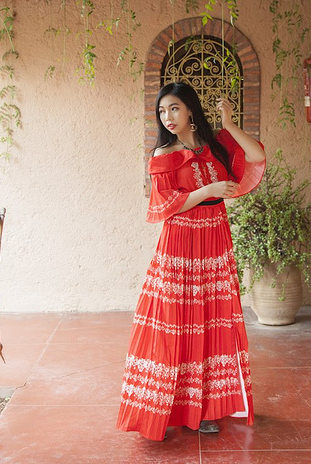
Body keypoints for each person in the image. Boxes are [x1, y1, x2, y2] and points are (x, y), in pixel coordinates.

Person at [116, 82, 266, 441]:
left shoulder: (216, 145)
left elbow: (256, 157)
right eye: (162, 111)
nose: (167, 117)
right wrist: (207, 191)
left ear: (190, 110)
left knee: (211, 319)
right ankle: (170, 408)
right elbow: (164, 205)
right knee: (177, 320)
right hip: (179, 242)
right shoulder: (162, 155)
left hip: (214, 238)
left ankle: (206, 409)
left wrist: (229, 125)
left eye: (175, 108)